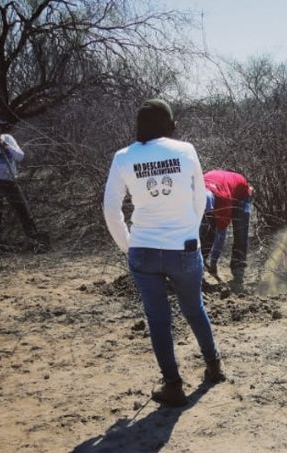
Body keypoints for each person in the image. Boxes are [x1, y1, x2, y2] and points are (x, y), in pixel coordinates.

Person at [103, 98, 225, 407]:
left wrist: (128, 246)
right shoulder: (185, 151)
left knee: (158, 319)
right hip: (183, 248)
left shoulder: (123, 157)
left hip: (143, 248)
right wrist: (189, 233)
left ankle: (173, 384)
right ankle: (213, 366)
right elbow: (200, 198)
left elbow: (110, 209)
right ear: (169, 124)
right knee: (194, 308)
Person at [0, 114, 47, 247]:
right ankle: (0, 241)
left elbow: (20, 156)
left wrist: (5, 145)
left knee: (22, 207)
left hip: (10, 179)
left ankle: (34, 237)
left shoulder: (8, 138)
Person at [200, 170, 253, 292]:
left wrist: (213, 263)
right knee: (207, 230)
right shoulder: (194, 190)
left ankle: (238, 271)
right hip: (219, 184)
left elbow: (221, 235)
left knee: (240, 232)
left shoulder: (223, 200)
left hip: (240, 193)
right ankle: (199, 267)